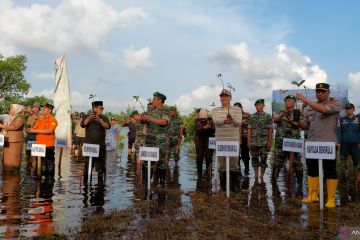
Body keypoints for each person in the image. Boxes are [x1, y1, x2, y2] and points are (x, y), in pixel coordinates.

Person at [296, 83, 341, 208]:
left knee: (330, 171)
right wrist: (296, 120)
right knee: (312, 170)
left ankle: (331, 199)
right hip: (312, 144)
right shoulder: (309, 109)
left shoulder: (335, 104)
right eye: (318, 91)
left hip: (327, 144)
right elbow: (306, 126)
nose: (320, 93)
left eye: (322, 91)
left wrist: (305, 99)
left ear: (328, 93)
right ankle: (313, 195)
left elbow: (322, 110)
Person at [272, 95, 308, 186]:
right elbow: (275, 120)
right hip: (281, 142)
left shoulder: (298, 113)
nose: (286, 102)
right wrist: (281, 115)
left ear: (294, 102)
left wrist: (293, 121)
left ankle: (300, 185)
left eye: (289, 100)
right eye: (286, 100)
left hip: (294, 142)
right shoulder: (281, 112)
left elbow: (304, 126)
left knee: (297, 164)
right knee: (277, 163)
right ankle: (274, 184)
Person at [212, 89, 242, 192]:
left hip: (233, 141)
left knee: (234, 165)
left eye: (226, 96)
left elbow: (239, 122)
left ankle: (236, 188)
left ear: (230, 98)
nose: (223, 98)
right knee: (223, 165)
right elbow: (216, 121)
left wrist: (232, 120)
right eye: (222, 96)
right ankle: (223, 188)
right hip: (220, 141)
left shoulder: (237, 109)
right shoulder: (215, 110)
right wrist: (224, 121)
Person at [140, 92, 169, 186]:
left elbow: (164, 122)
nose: (152, 101)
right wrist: (143, 119)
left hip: (160, 142)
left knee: (161, 162)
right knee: (147, 162)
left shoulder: (165, 110)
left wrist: (149, 119)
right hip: (149, 140)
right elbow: (143, 122)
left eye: (154, 99)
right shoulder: (150, 110)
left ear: (160, 100)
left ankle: (162, 184)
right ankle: (147, 182)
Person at [81, 101, 110, 182]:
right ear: (94, 108)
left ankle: (100, 186)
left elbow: (108, 126)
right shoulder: (87, 116)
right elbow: (83, 125)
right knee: (87, 167)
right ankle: (86, 185)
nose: (102, 110)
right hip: (89, 146)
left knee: (100, 168)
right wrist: (89, 118)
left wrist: (99, 120)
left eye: (102, 108)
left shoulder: (104, 117)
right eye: (100, 108)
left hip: (100, 146)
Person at [27, 103, 58, 176]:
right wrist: (30, 130)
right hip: (39, 145)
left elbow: (50, 131)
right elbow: (34, 128)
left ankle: (50, 180)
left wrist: (35, 131)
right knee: (40, 163)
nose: (42, 110)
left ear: (49, 110)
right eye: (42, 109)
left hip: (48, 146)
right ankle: (41, 179)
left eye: (44, 109)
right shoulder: (40, 119)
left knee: (49, 163)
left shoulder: (53, 120)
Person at [247, 99, 273, 183]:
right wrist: (248, 141)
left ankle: (261, 176)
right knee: (254, 159)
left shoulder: (268, 116)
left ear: (263, 106)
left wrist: (270, 141)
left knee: (263, 159)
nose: (258, 106)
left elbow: (270, 129)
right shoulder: (251, 117)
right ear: (255, 106)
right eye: (257, 105)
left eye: (260, 105)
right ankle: (256, 175)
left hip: (264, 142)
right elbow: (249, 129)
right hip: (254, 142)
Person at [336, 103, 360, 183]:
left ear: (353, 109)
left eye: (350, 109)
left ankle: (357, 179)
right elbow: (338, 132)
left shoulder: (358, 119)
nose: (348, 110)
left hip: (355, 144)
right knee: (343, 161)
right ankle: (345, 179)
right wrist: (338, 142)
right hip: (344, 144)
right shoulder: (342, 119)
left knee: (357, 162)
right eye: (347, 109)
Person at [0, 104, 25, 172]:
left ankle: (13, 171)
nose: (9, 110)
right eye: (9, 108)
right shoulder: (10, 117)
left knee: (14, 158)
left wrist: (2, 126)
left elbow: (15, 127)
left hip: (15, 140)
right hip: (7, 139)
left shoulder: (19, 117)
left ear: (16, 109)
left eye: (11, 108)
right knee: (7, 158)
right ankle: (7, 171)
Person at [194, 108, 215, 178]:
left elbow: (215, 128)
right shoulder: (197, 120)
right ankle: (199, 175)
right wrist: (205, 127)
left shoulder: (211, 120)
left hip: (210, 140)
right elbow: (198, 130)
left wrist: (211, 125)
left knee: (209, 157)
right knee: (199, 157)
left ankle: (208, 174)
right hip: (199, 140)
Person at [234, 102, 250, 176]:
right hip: (235, 138)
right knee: (236, 155)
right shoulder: (232, 116)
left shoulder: (247, 115)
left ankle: (247, 169)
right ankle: (238, 169)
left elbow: (250, 126)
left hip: (245, 138)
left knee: (245, 155)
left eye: (238, 107)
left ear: (241, 108)